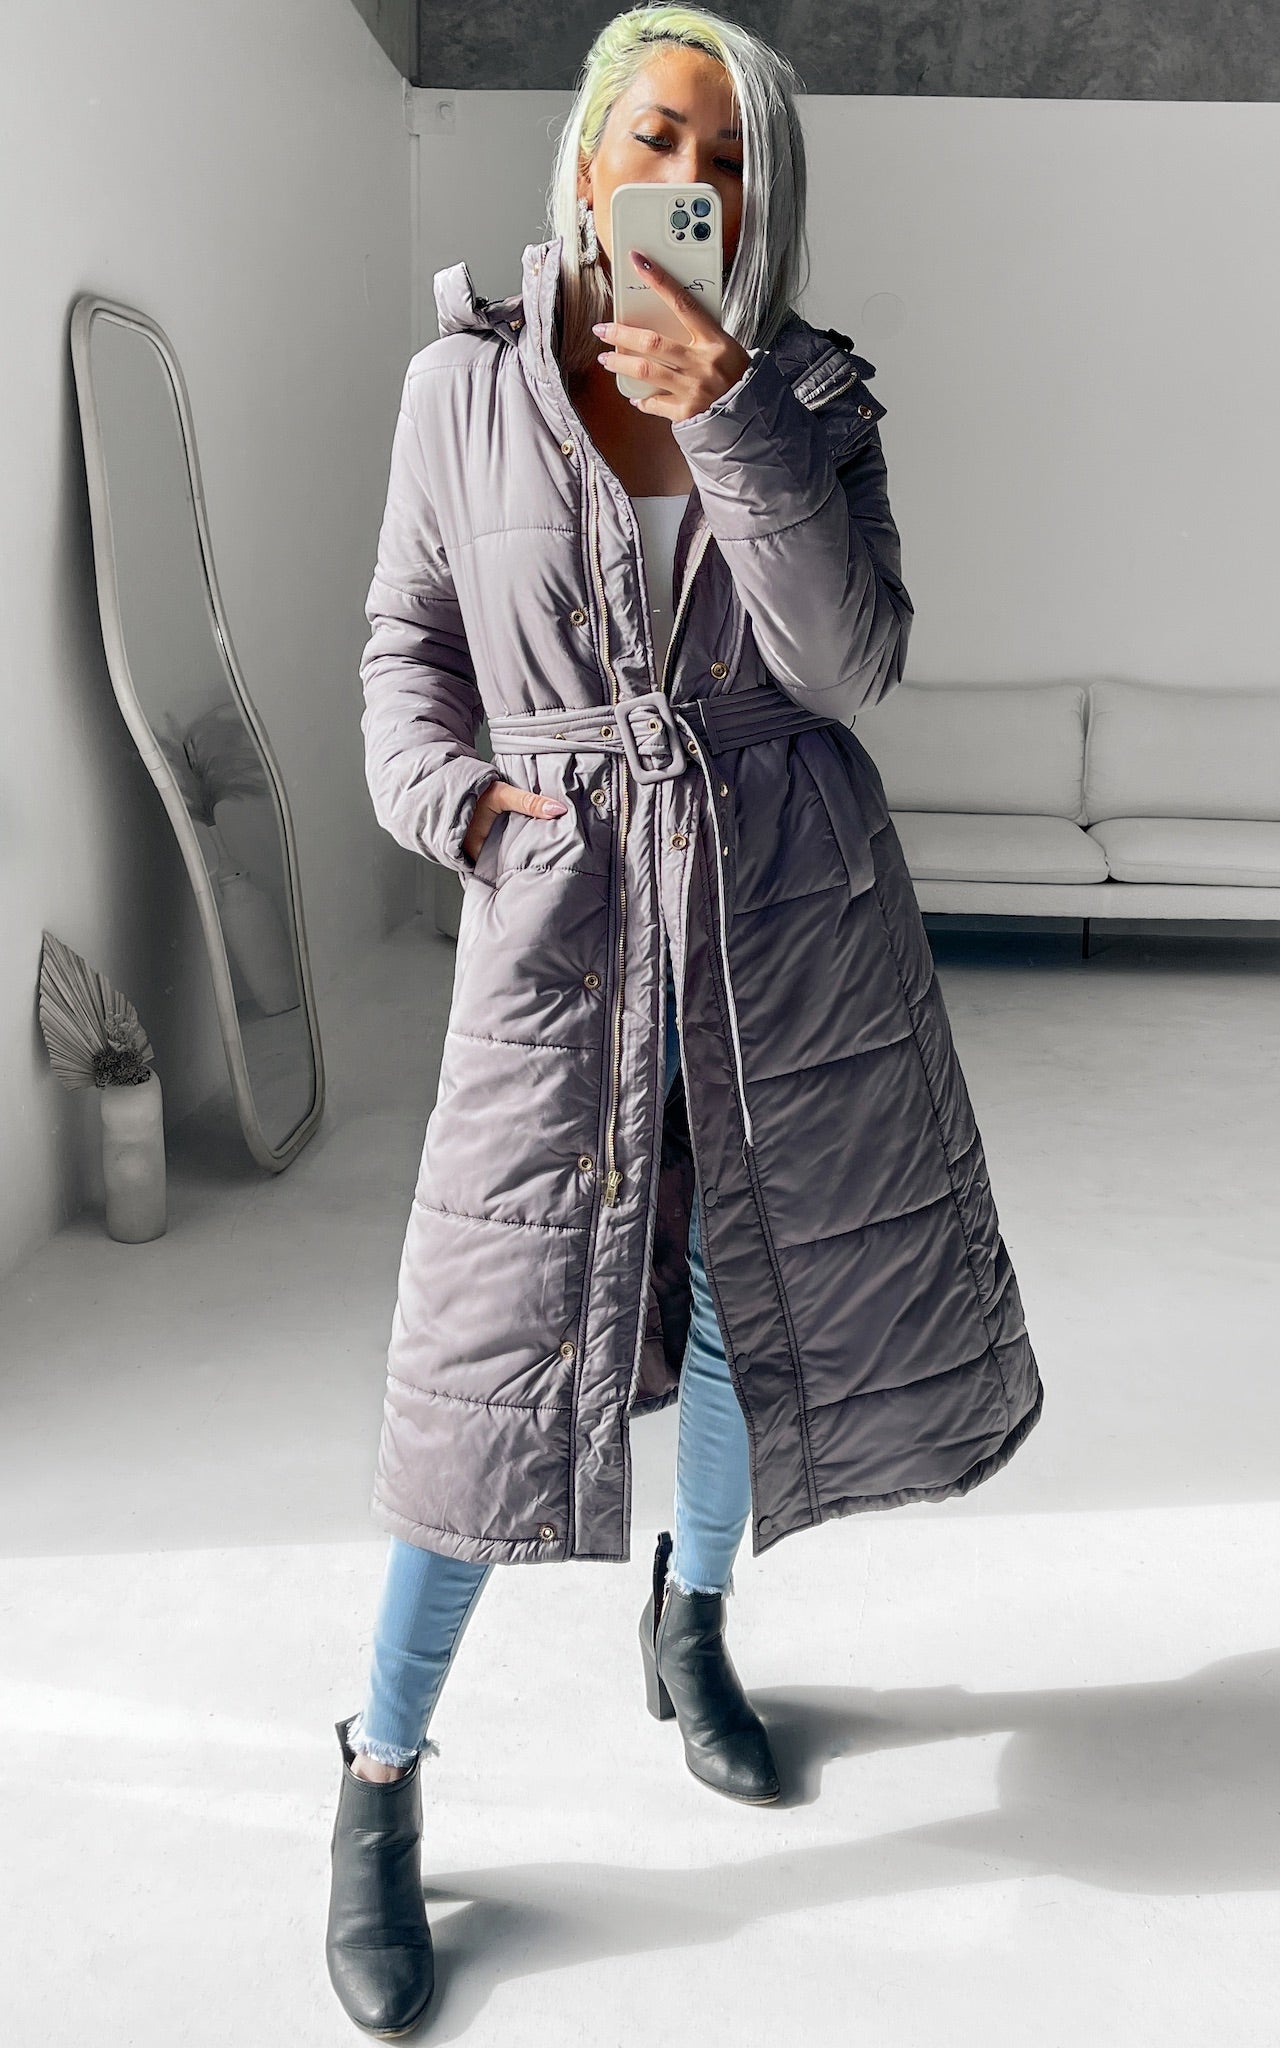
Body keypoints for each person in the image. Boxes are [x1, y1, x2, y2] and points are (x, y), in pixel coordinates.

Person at [326, 6, 1043, 2034]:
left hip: (781, 912)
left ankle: (695, 1617)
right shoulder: (463, 383)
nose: (687, 180)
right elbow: (404, 644)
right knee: (486, 1364)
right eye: (655, 137)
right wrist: (460, 807)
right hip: (560, 921)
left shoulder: (808, 394)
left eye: (725, 156)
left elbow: (848, 661)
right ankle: (377, 1773)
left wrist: (733, 415)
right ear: (584, 156)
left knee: (751, 1298)